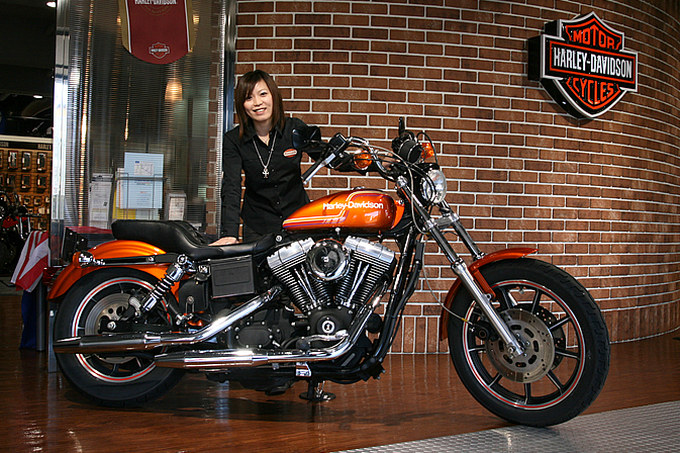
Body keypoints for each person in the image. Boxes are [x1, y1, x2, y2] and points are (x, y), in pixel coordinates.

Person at [212, 70, 318, 245]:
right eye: (249, 98)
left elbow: (326, 155)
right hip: (257, 226)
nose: (257, 103)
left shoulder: (294, 128)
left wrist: (356, 162)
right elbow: (231, 186)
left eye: (262, 94)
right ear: (242, 104)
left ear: (273, 95)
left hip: (298, 221)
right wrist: (229, 233)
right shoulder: (233, 139)